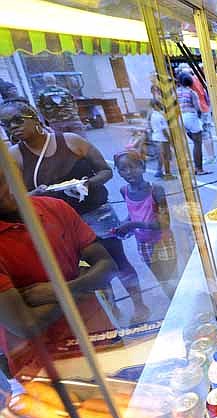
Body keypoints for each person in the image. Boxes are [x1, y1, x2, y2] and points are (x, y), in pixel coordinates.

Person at [0, 100, 151, 322]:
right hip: (56, 223)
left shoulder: (71, 141)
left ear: (34, 118)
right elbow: (14, 200)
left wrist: (86, 184)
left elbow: (105, 171)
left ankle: (139, 307)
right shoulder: (14, 157)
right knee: (84, 270)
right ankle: (112, 312)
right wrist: (38, 195)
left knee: (117, 260)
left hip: (96, 213)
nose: (13, 127)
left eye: (17, 120)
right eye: (6, 124)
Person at [0, 167, 117, 374]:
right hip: (43, 364)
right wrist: (83, 283)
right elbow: (26, 324)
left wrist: (59, 290)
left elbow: (107, 266)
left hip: (99, 337)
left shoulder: (54, 207)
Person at [114, 150, 178, 299]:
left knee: (172, 278)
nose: (129, 172)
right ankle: (173, 302)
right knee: (161, 280)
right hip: (143, 245)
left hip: (163, 241)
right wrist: (123, 223)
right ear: (118, 172)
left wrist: (132, 225)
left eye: (133, 167)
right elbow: (133, 212)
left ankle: (181, 302)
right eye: (123, 169)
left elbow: (164, 224)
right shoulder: (124, 191)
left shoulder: (156, 190)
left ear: (142, 166)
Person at [176, 72, 210, 176]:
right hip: (191, 117)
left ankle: (190, 168)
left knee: (188, 143)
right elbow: (197, 107)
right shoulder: (191, 92)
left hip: (181, 118)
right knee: (197, 144)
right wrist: (200, 116)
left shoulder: (176, 92)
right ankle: (199, 169)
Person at [148, 99, 175, 180]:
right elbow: (164, 130)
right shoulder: (160, 116)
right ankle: (168, 174)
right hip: (162, 139)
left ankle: (159, 171)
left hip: (155, 137)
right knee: (166, 157)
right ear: (156, 105)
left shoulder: (152, 115)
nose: (161, 105)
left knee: (160, 156)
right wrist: (170, 140)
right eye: (159, 104)